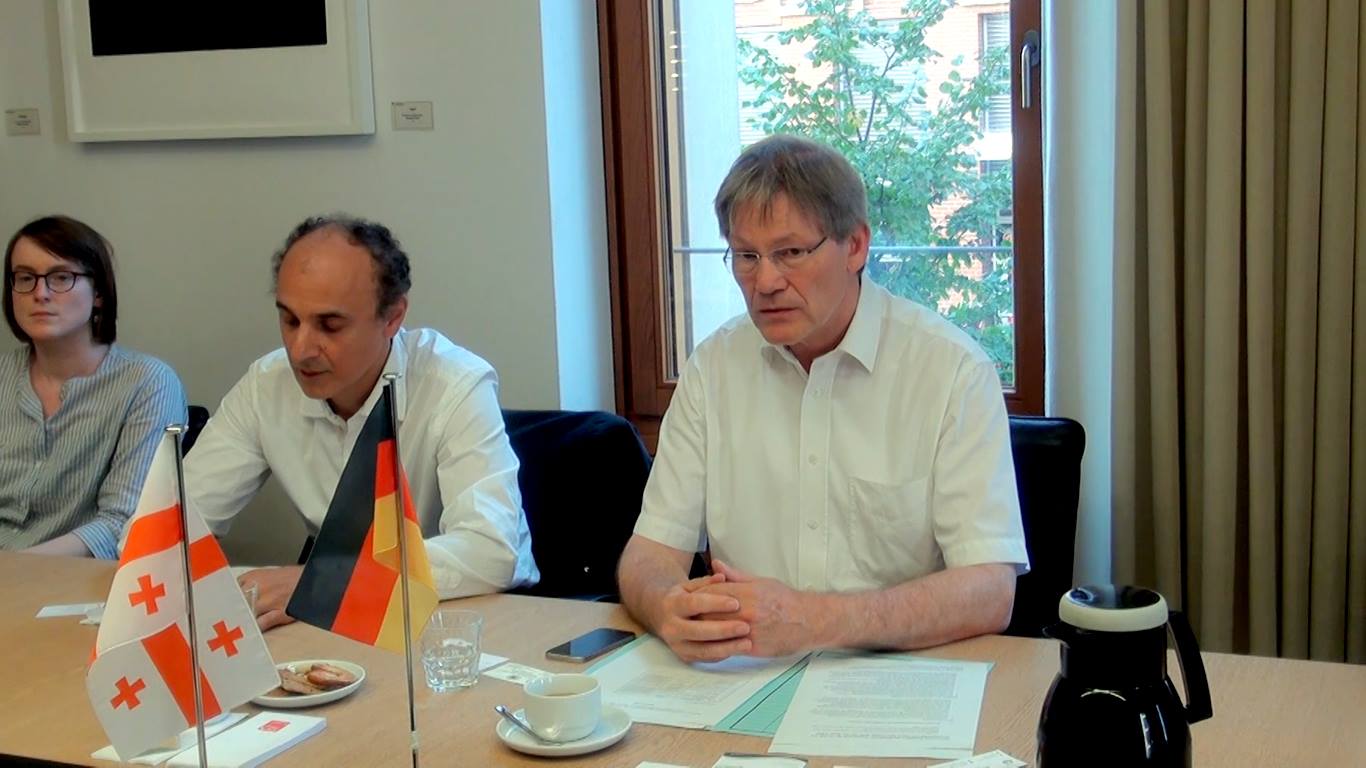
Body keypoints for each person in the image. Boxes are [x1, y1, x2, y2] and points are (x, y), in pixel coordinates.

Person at [618, 136, 1029, 662]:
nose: (765, 281)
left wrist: (813, 621)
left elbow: (990, 591)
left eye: (790, 253)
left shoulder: (952, 371)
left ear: (855, 246)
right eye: (746, 256)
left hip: (900, 674)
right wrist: (665, 606)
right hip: (745, 675)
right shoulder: (713, 368)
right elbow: (649, 553)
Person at [184, 214, 538, 630]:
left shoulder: (455, 383)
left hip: (465, 616)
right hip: (336, 619)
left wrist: (324, 581)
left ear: (393, 317)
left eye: (330, 325)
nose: (300, 350)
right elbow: (169, 529)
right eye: (290, 320)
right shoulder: (266, 385)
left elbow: (491, 552)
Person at [0, 215, 187, 558]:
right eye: (25, 278)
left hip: (77, 578)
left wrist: (13, 568)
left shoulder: (148, 383)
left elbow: (121, 523)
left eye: (61, 277)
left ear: (98, 292)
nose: (40, 293)